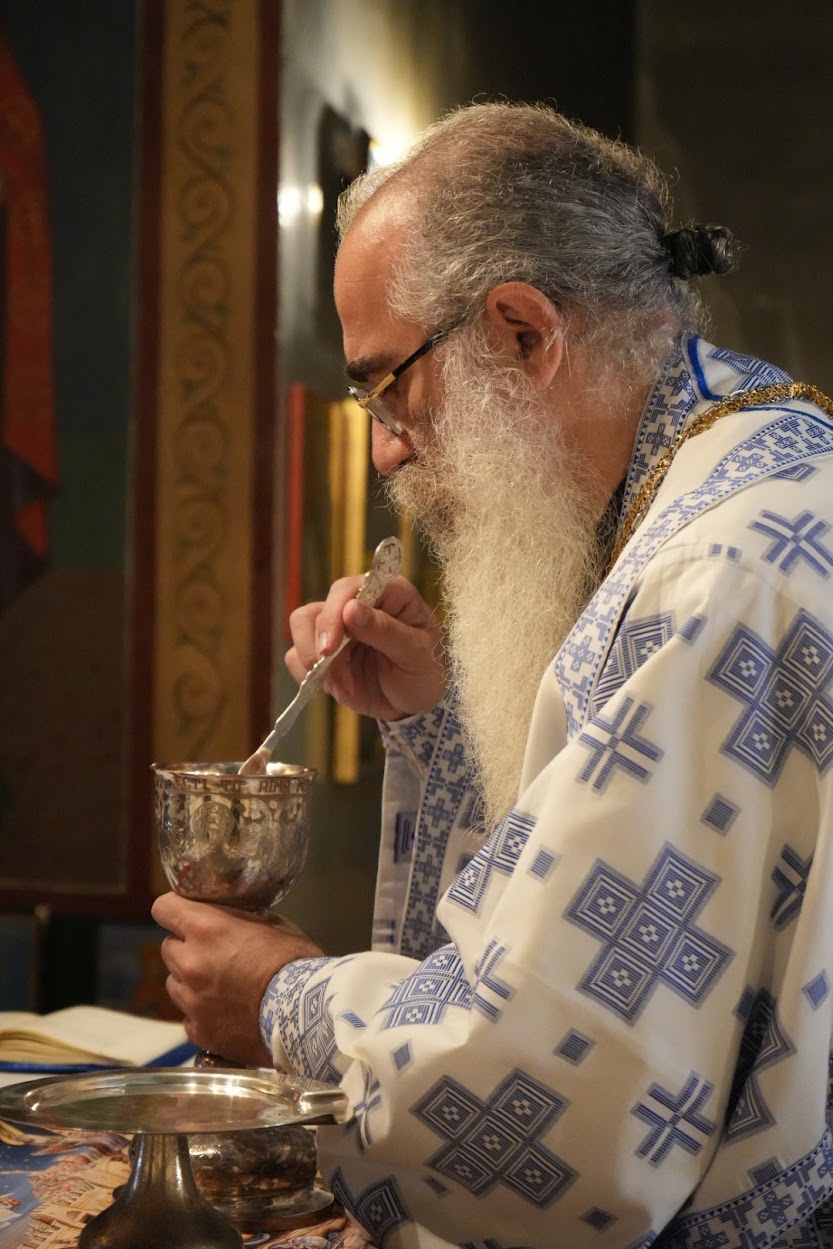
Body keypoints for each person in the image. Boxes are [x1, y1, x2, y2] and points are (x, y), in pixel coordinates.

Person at [152, 102, 833, 1249]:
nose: (383, 448)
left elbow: (565, 1106)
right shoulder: (731, 469)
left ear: (522, 331)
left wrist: (280, 997)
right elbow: (623, 903)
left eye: (388, 385)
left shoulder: (713, 575)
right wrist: (442, 718)